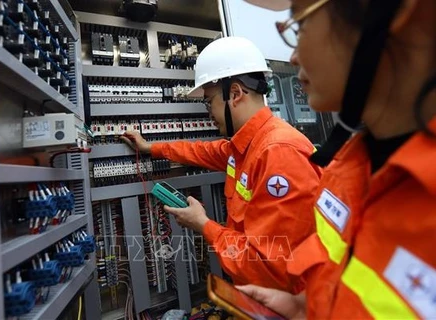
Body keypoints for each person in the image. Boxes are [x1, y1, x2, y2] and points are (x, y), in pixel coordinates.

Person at [235, 0, 436, 319]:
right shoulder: (345, 171)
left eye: (299, 25)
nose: (293, 56)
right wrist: (306, 308)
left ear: (398, 11)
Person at [121, 36, 322, 292]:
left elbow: (269, 266)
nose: (209, 112)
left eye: (208, 101)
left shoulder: (278, 152)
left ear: (235, 94)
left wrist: (203, 225)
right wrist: (150, 147)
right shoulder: (244, 147)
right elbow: (199, 151)